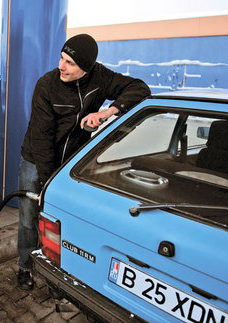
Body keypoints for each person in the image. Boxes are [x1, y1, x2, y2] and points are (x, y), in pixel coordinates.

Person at [17, 34, 151, 290]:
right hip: (36, 162)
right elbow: (42, 141)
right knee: (28, 219)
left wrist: (107, 112)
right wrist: (48, 185)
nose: (61, 66)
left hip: (70, 165)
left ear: (86, 69)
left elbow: (140, 89)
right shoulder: (46, 86)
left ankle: (58, 271)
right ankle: (25, 266)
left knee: (63, 220)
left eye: (69, 63)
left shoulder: (100, 77)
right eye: (61, 58)